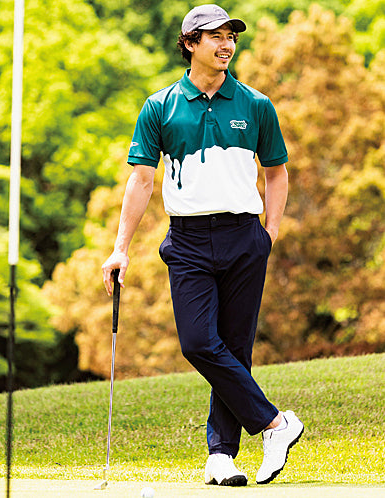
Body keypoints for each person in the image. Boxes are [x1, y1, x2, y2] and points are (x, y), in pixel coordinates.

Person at [102, 4, 304, 487]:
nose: (226, 44)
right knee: (198, 343)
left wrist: (270, 232)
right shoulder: (160, 106)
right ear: (190, 43)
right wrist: (120, 248)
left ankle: (221, 456)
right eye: (216, 36)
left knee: (235, 348)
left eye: (231, 36)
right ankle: (276, 424)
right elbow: (141, 181)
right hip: (188, 240)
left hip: (244, 236)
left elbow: (276, 173)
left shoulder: (256, 104)